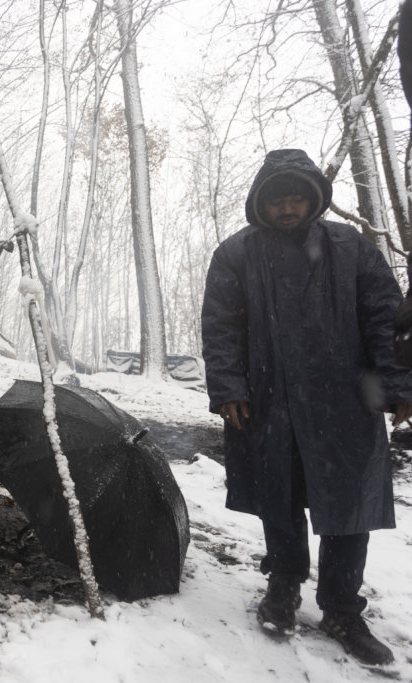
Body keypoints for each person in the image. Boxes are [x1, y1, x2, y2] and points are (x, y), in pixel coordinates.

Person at [201, 148, 412, 666]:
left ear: (314, 199)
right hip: (268, 401)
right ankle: (284, 585)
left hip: (346, 401)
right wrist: (229, 387)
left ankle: (341, 607)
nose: (289, 208)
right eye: (279, 200)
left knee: (348, 505)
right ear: (262, 203)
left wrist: (400, 386)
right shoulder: (236, 253)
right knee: (280, 496)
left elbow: (386, 318)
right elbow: (221, 327)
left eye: (298, 198)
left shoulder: (352, 248)